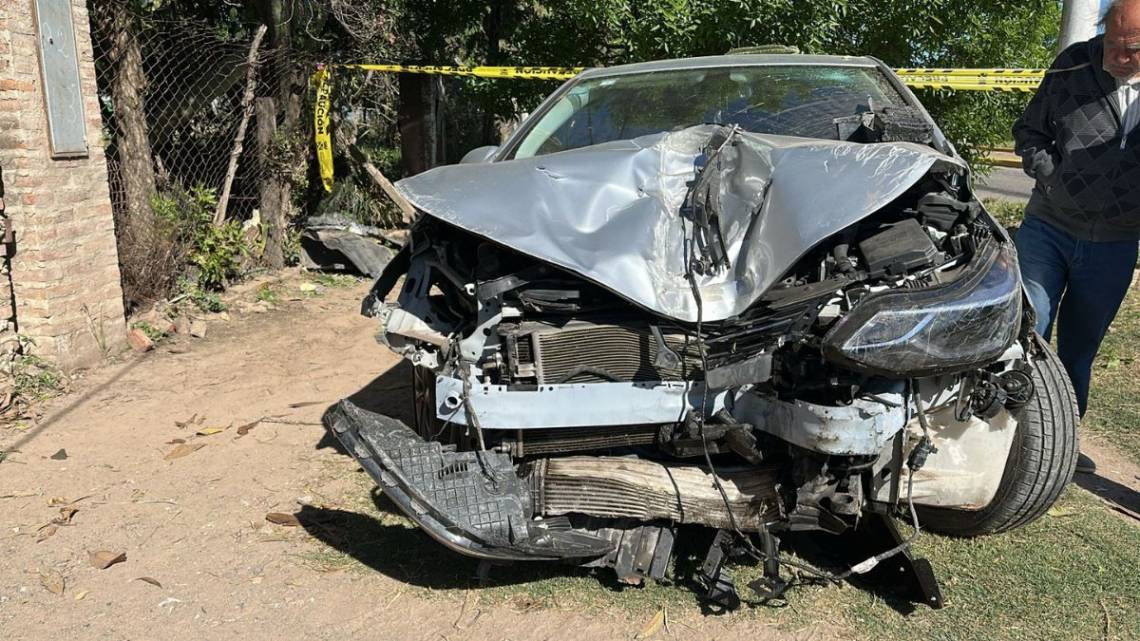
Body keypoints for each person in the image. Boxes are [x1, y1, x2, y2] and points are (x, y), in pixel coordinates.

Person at [1012, 0, 1140, 474]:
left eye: (1131, 50)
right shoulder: (1073, 64)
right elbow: (1029, 131)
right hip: (1048, 227)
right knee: (1028, 328)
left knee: (1079, 349)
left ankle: (1058, 443)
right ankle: (1007, 434)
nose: (1117, 57)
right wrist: (1051, 175)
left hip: (1115, 243)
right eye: (1112, 43)